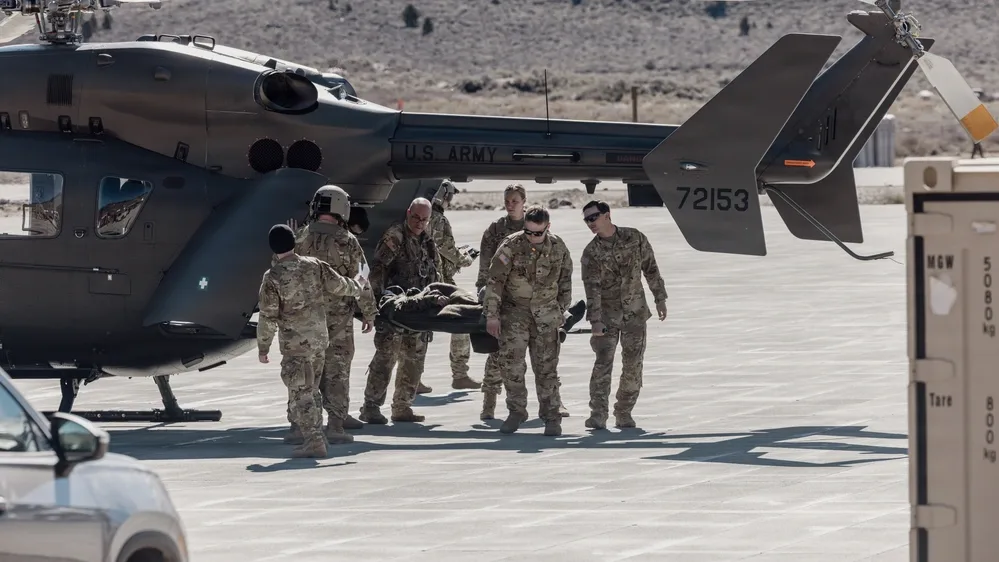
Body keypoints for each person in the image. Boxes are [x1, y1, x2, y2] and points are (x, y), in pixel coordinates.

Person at [257, 224, 364, 458]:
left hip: (296, 345)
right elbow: (339, 286)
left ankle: (314, 441)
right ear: (294, 242)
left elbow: (268, 316)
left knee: (301, 393)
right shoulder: (314, 265)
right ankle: (316, 435)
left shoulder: (273, 277)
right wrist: (359, 285)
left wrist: (263, 347)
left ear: (273, 249)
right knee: (311, 390)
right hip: (319, 341)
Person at [285, 185, 378, 445]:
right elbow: (362, 278)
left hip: (305, 319)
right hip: (338, 320)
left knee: (304, 371)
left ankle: (297, 426)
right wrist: (369, 312)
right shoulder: (348, 241)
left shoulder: (300, 237)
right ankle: (335, 425)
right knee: (337, 371)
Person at [483, 205, 573, 436]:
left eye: (538, 233)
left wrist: (561, 310)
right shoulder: (511, 245)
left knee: (546, 369)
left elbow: (565, 281)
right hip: (516, 314)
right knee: (512, 366)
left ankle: (551, 417)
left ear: (547, 228)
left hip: (546, 315)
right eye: (529, 232)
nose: (533, 237)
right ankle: (516, 411)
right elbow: (495, 281)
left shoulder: (558, 247)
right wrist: (492, 315)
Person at [579, 200, 668, 429]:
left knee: (633, 365)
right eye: (587, 220)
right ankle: (598, 414)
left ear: (607, 215)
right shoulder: (591, 253)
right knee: (603, 364)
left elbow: (651, 268)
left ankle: (624, 411)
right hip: (607, 317)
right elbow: (592, 290)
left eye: (593, 217)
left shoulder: (634, 238)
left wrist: (660, 298)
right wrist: (595, 321)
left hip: (635, 313)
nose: (590, 223)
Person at [358, 198, 440, 424]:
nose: (419, 223)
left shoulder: (427, 239)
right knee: (385, 359)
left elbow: (434, 270)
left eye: (424, 219)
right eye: (415, 217)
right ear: (408, 213)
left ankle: (402, 407)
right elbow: (378, 270)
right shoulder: (395, 237)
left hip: (418, 310)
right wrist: (377, 306)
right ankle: (370, 407)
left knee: (414, 360)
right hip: (394, 310)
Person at [426, 181, 481, 392]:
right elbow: (446, 249)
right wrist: (465, 258)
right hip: (442, 281)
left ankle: (413, 379)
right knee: (462, 320)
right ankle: (460, 374)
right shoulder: (438, 219)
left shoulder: (422, 215)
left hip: (428, 279)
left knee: (417, 331)